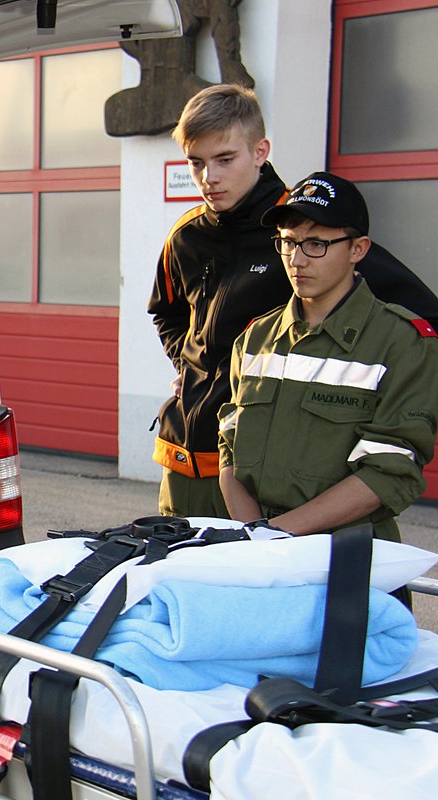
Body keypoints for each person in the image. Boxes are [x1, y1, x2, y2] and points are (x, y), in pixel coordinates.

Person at [147, 83, 438, 518]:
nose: (210, 177)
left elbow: (417, 322)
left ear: (261, 151)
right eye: (197, 162)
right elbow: (165, 312)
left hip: (262, 477)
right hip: (182, 457)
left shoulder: (305, 229)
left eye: (225, 159)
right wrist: (190, 369)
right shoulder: (186, 236)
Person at [218, 171, 438, 540]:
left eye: (316, 244)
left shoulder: (402, 343)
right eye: (288, 242)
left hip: (347, 555)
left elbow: (388, 472)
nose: (297, 260)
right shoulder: (255, 338)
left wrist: (275, 534)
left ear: (358, 249)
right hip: (257, 549)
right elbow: (229, 450)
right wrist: (253, 536)